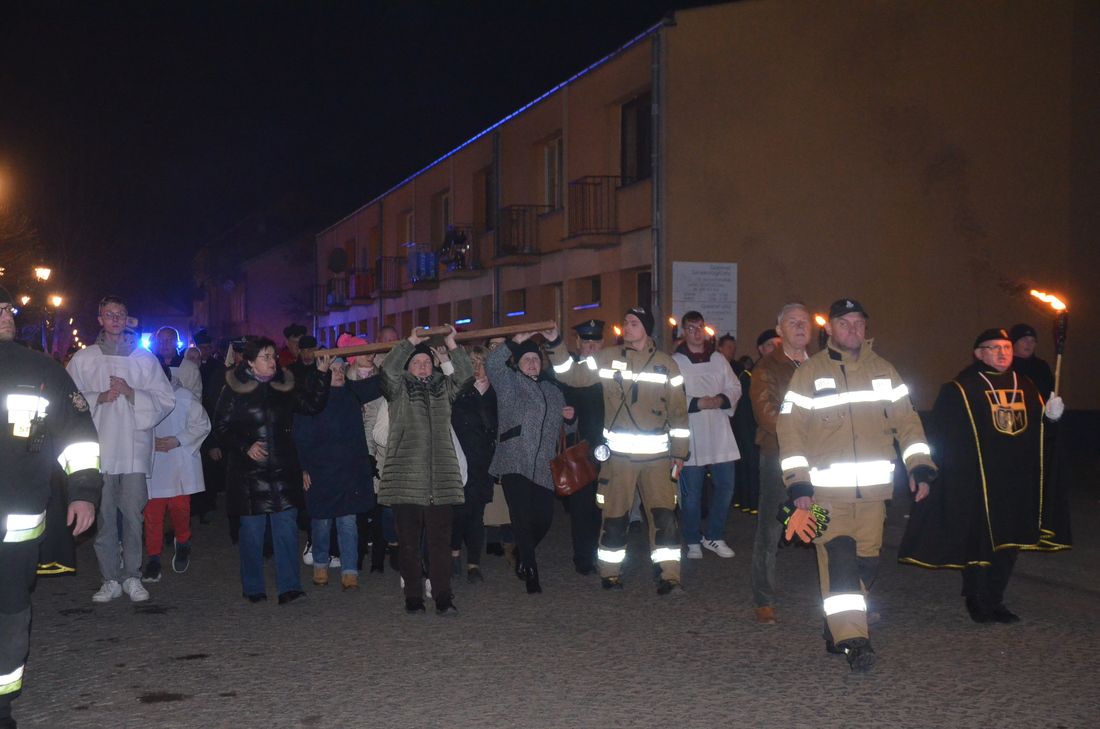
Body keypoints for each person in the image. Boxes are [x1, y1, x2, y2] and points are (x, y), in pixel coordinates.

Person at [776, 298, 936, 672]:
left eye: (859, 323)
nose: (853, 330)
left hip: (874, 496)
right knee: (841, 560)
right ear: (828, 329)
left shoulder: (884, 372)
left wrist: (920, 466)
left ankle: (837, 626)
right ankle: (854, 641)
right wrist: (798, 484)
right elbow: (791, 430)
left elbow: (908, 424)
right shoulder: (809, 373)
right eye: (844, 323)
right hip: (826, 496)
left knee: (866, 564)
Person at [898, 328, 1069, 623]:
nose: (1002, 353)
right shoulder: (961, 388)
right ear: (979, 353)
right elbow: (944, 435)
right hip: (979, 481)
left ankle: (995, 598)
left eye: (1006, 347)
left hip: (1016, 481)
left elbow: (1039, 438)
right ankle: (977, 598)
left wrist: (1050, 419)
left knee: (1010, 542)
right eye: (993, 347)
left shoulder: (1026, 385)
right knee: (980, 542)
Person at [0, 286, 102, 729]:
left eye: (7, 307)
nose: (6, 313)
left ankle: (2, 704)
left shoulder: (41, 370)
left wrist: (83, 491)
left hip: (16, 521)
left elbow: (78, 434)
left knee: (10, 611)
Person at [546, 306, 690, 595]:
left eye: (633, 323)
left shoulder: (667, 365)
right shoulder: (607, 357)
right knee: (614, 517)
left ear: (646, 329)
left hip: (658, 459)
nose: (627, 326)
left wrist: (680, 453)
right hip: (620, 459)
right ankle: (610, 573)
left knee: (664, 518)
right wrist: (554, 343)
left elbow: (678, 413)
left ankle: (669, 576)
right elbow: (571, 375)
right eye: (625, 322)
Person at [67, 295, 175, 604]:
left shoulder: (143, 359)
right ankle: (109, 577)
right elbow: (68, 398)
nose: (116, 319)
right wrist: (97, 397)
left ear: (127, 320)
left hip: (132, 447)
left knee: (132, 514)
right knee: (103, 516)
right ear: (100, 318)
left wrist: (132, 393)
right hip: (99, 448)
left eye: (121, 314)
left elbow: (165, 399)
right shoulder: (84, 359)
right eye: (109, 314)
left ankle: (132, 575)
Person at [214, 336, 332, 605]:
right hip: (249, 473)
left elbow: (312, 405)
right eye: (265, 357)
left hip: (283, 467)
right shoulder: (233, 388)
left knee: (286, 529)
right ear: (251, 362)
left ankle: (289, 587)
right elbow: (220, 427)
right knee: (252, 532)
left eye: (273, 356)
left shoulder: (284, 385)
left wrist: (322, 374)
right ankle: (253, 586)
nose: (272, 361)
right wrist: (245, 446)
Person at [379, 326, 472, 616]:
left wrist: (452, 345)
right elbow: (388, 370)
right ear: (409, 366)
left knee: (440, 544)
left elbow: (465, 376)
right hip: (406, 480)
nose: (422, 367)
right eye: (417, 362)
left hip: (441, 480)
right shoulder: (398, 388)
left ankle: (443, 597)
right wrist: (410, 343)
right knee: (408, 543)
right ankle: (414, 597)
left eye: (426, 362)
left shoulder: (443, 388)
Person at [487, 333, 571, 594]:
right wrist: (512, 343)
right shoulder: (509, 383)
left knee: (544, 519)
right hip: (514, 460)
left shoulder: (553, 390)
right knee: (521, 517)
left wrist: (571, 417)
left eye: (536, 359)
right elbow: (492, 365)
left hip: (545, 465)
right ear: (518, 362)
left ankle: (523, 554)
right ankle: (531, 571)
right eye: (527, 359)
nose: (532, 363)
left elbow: (566, 427)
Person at [293, 357, 381, 590]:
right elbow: (300, 436)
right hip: (320, 469)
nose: (339, 373)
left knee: (348, 521)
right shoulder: (310, 401)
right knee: (321, 521)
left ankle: (349, 569)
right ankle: (320, 564)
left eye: (342, 369)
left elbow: (380, 383)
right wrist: (303, 467)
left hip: (349, 469)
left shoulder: (351, 393)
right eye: (333, 370)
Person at [749, 303, 812, 624]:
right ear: (780, 330)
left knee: (830, 526)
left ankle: (843, 597)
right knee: (771, 528)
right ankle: (764, 597)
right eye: (792, 322)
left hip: (821, 459)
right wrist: (805, 434)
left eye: (805, 322)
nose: (800, 326)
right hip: (779, 456)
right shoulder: (767, 368)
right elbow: (766, 414)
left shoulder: (822, 366)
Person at [672, 311, 741, 560]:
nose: (696, 332)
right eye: (690, 328)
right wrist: (697, 402)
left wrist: (721, 400)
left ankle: (714, 535)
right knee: (692, 493)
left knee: (725, 486)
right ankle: (692, 539)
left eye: (700, 327)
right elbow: (671, 394)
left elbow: (735, 386)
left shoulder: (718, 359)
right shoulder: (676, 361)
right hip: (692, 430)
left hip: (719, 428)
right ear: (683, 332)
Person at [142, 356, 210, 582]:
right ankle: (153, 558)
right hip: (153, 463)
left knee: (180, 509)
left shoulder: (184, 397)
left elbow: (202, 425)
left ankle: (183, 541)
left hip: (179, 462)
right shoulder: (143, 399)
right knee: (153, 513)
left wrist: (177, 440)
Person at [554, 320, 605, 576]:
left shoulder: (609, 370)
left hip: (608, 448)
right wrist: (567, 417)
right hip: (581, 448)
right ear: (579, 343)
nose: (591, 346)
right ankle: (584, 557)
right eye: (586, 341)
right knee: (582, 508)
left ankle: (603, 552)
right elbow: (561, 403)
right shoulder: (569, 373)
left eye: (595, 341)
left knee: (605, 506)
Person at [450, 345, 497, 583]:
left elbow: (493, 425)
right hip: (459, 459)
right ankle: (454, 553)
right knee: (458, 511)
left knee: (476, 513)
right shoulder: (459, 391)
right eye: (472, 364)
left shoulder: (494, 393)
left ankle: (474, 563)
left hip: (482, 461)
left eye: (481, 363)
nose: (477, 369)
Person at [1009, 323, 1055, 397]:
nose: (1028, 344)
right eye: (1024, 339)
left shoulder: (1041, 366)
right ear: (1013, 342)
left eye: (1032, 341)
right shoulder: (1006, 365)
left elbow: (1050, 391)